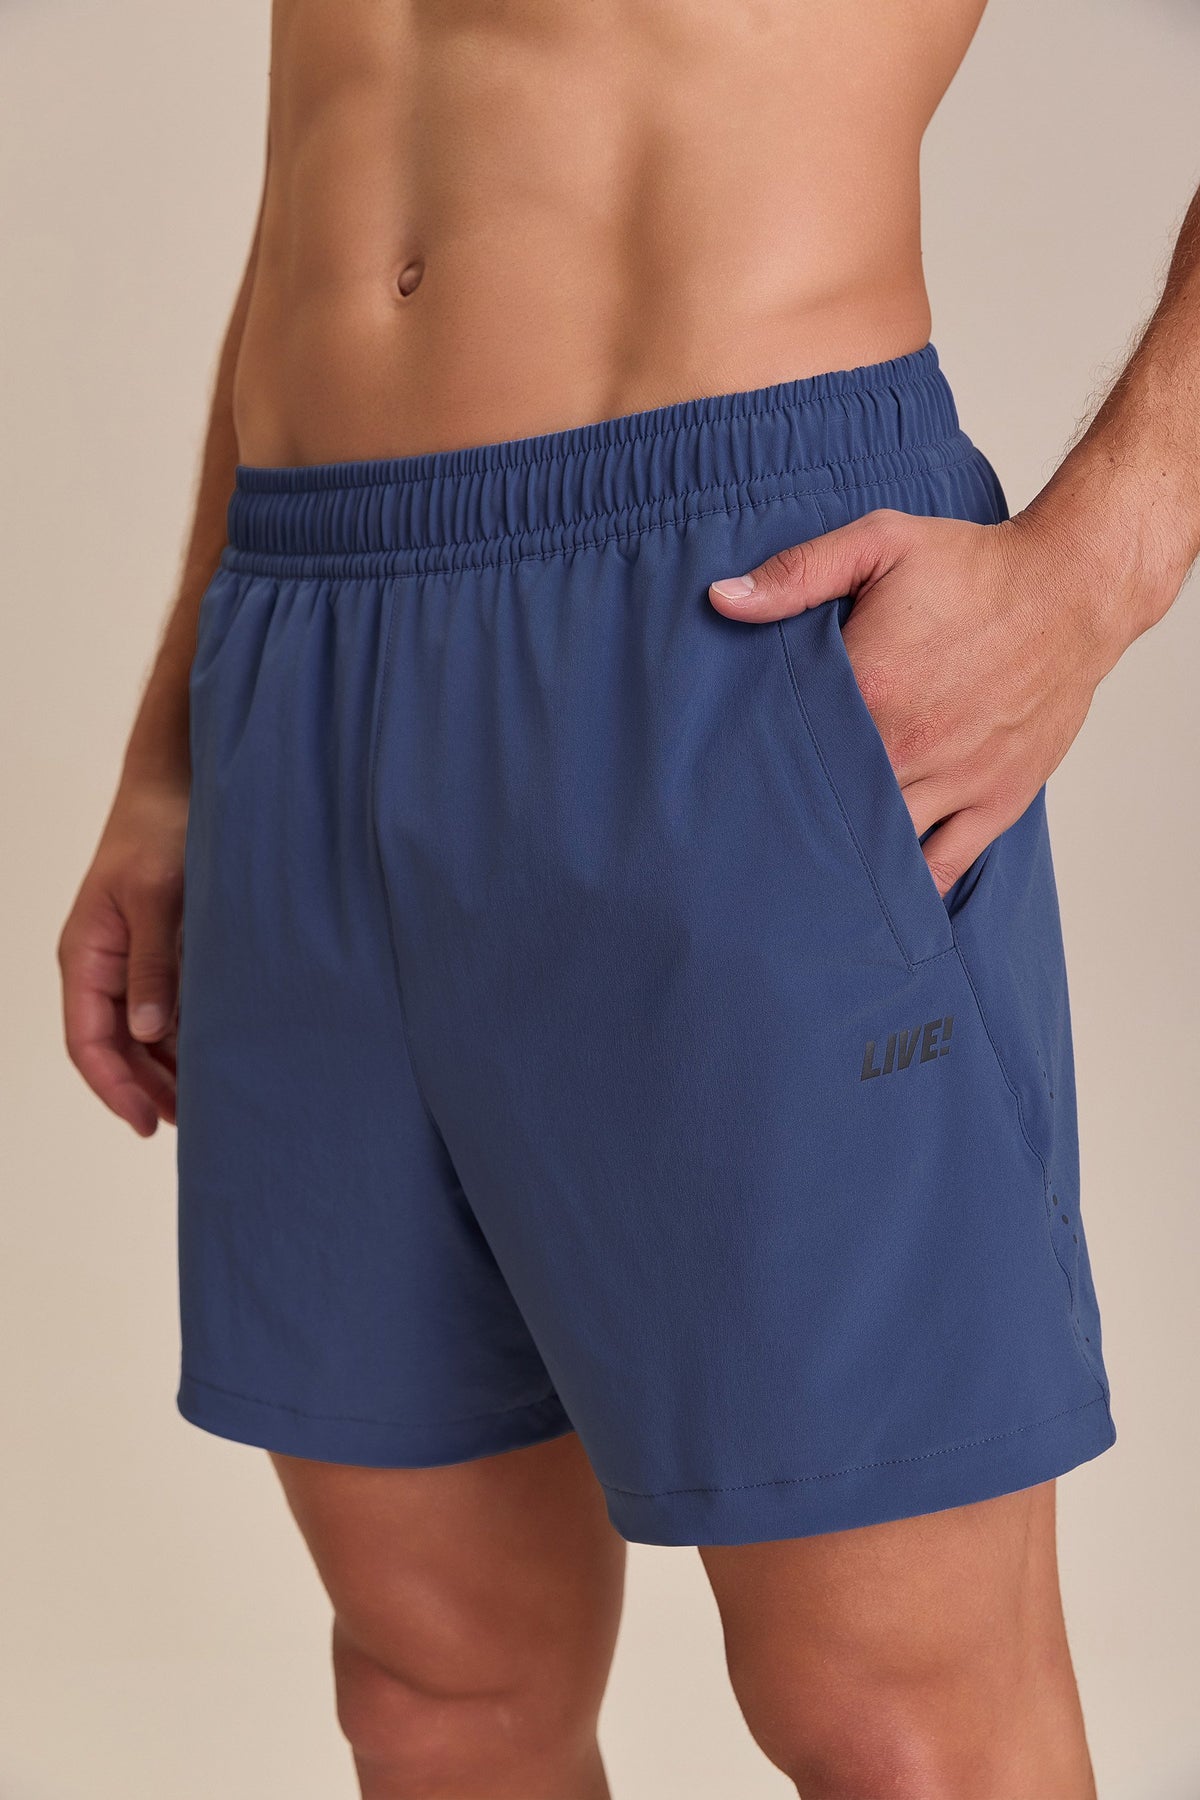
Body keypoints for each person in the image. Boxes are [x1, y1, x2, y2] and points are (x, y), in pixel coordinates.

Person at [57, 3, 1198, 1795]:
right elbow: (332, 146)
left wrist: (1106, 558)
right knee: (435, 1686)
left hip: (732, 608)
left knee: (902, 1724)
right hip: (301, 634)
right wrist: (171, 752)